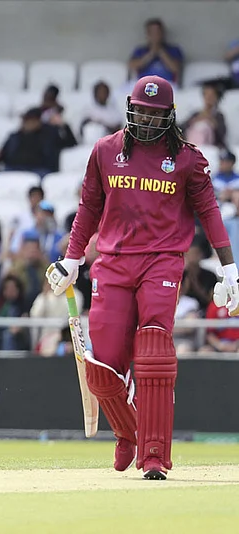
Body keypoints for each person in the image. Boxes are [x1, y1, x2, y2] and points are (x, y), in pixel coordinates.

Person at [46, 75, 239, 481]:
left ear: (169, 116)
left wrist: (229, 268)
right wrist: (72, 259)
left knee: (153, 350)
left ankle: (154, 454)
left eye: (155, 113)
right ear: (130, 109)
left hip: (162, 262)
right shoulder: (105, 150)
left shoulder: (187, 159)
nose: (147, 120)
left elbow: (209, 213)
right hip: (113, 263)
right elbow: (89, 208)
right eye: (142, 111)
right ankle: (127, 432)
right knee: (103, 368)